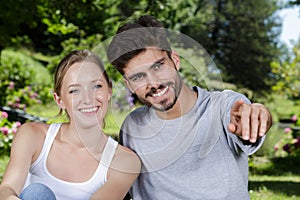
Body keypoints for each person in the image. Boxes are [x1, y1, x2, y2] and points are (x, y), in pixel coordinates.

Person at [107, 15, 272, 200]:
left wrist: (257, 114)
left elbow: (246, 115)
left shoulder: (222, 106)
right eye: (138, 77)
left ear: (175, 60)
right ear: (129, 85)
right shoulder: (132, 126)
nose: (153, 83)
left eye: (158, 67)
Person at [0, 50, 141, 200]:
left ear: (109, 91)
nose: (87, 98)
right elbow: (6, 189)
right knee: (37, 192)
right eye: (74, 90)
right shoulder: (33, 136)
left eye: (96, 86)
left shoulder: (125, 162)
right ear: (59, 100)